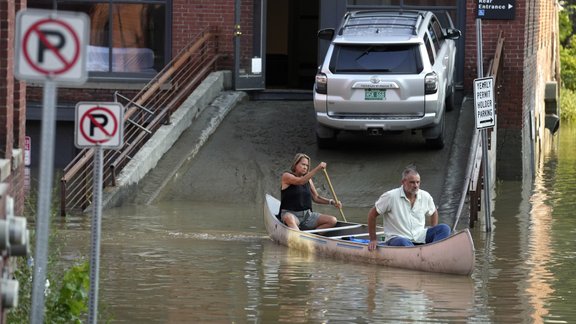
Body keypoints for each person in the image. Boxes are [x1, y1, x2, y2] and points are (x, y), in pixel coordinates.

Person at [367, 166, 451, 251]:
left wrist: (433, 229)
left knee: (444, 228)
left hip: (420, 236)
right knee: (403, 242)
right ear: (403, 182)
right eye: (412, 182)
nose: (416, 185)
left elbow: (433, 212)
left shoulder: (425, 196)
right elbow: (372, 214)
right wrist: (373, 239)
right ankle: (422, 254)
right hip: (397, 238)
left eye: (418, 182)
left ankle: (433, 251)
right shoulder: (390, 196)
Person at [279, 153, 341, 230]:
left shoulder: (308, 180)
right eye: (303, 164)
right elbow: (300, 181)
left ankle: (314, 236)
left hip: (307, 216)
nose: (305, 167)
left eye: (307, 166)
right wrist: (318, 168)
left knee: (332, 220)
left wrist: (332, 202)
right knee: (289, 218)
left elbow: (316, 197)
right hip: (291, 214)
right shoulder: (286, 176)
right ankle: (298, 237)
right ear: (295, 164)